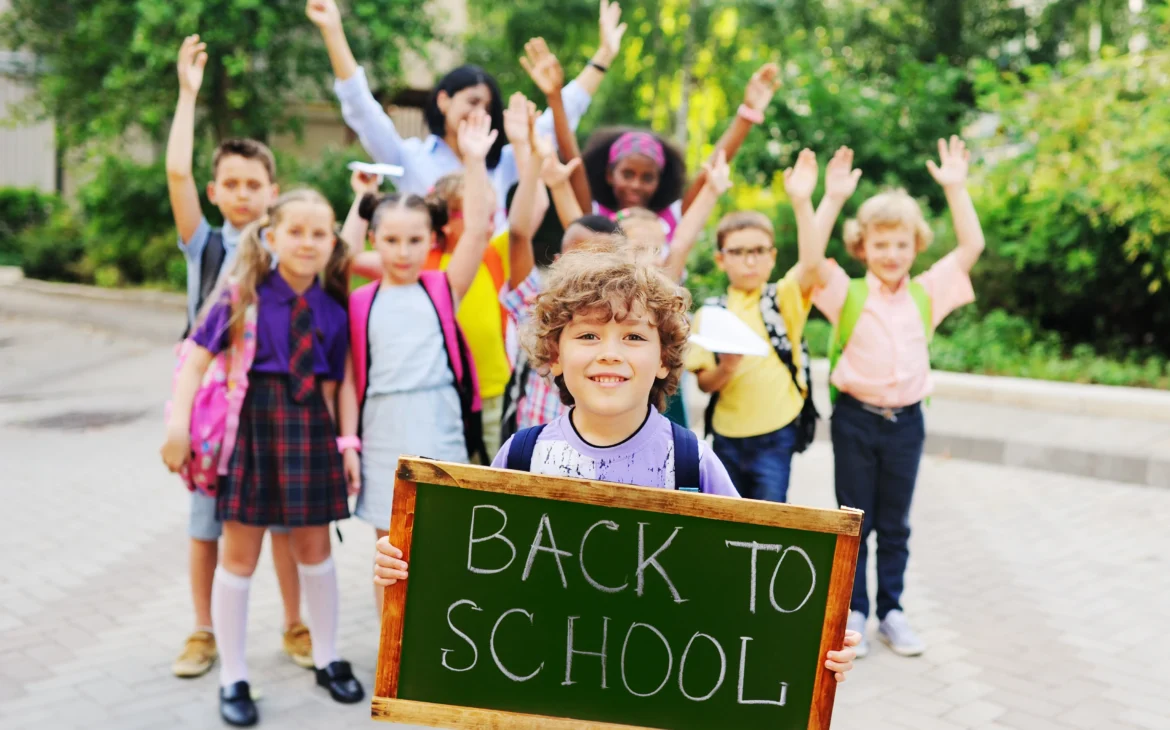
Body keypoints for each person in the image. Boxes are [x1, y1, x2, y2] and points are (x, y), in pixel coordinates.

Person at [371, 238, 861, 681]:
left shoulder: (691, 462)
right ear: (555, 355)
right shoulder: (522, 455)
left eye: (633, 337)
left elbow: (751, 595)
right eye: (587, 336)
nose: (609, 353)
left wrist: (817, 645)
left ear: (666, 359)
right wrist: (407, 566)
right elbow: (471, 577)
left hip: (657, 697)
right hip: (537, 695)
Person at [162, 189, 363, 726]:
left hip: (310, 432)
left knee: (315, 548)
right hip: (251, 427)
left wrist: (348, 444)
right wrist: (177, 427)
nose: (307, 242)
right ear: (271, 237)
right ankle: (233, 675)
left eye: (319, 233)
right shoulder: (241, 296)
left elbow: (338, 384)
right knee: (239, 556)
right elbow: (195, 361)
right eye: (295, 231)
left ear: (332, 243)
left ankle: (327, 656)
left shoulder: (333, 308)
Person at [163, 34, 311, 678]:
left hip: (272, 404)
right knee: (205, 523)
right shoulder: (205, 244)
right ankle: (203, 631)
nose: (244, 193)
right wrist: (188, 96)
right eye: (232, 183)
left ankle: (297, 623)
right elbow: (173, 173)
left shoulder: (288, 252)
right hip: (210, 407)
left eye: (255, 183)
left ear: (272, 188)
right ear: (216, 191)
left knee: (280, 522)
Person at [807, 137, 986, 658]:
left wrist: (956, 188)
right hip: (855, 420)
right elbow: (812, 257)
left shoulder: (927, 291)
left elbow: (971, 247)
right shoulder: (847, 292)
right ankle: (854, 612)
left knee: (896, 524)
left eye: (901, 244)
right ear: (863, 246)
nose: (891, 254)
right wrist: (832, 197)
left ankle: (893, 612)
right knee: (854, 522)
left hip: (906, 423)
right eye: (880, 244)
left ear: (915, 246)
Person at [337, 111, 498, 613]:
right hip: (382, 428)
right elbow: (335, 263)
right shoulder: (360, 301)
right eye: (390, 240)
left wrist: (474, 161)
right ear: (374, 240)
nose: (402, 251)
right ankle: (393, 651)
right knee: (390, 549)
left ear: (431, 241)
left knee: (445, 540)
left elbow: (475, 229)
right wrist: (362, 202)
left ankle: (441, 645)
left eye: (413, 240)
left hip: (439, 423)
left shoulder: (442, 287)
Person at [307, 0, 625, 225]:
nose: (479, 113)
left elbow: (559, 119)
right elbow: (362, 109)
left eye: (487, 107)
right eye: (472, 102)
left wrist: (603, 57)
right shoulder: (408, 158)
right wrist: (332, 30)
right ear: (443, 101)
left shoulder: (503, 162)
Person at [687, 148, 862, 503]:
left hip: (776, 435)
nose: (749, 260)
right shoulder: (712, 313)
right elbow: (705, 384)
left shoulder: (782, 298)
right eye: (737, 252)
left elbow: (811, 263)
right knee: (726, 521)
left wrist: (810, 200)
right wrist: (726, 368)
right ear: (721, 259)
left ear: (772, 256)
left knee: (769, 522)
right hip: (726, 436)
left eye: (758, 250)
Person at [581, 62, 780, 242]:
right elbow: (572, 165)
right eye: (627, 174)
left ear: (660, 180)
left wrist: (747, 114)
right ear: (609, 174)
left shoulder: (671, 219)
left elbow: (708, 172)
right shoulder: (595, 216)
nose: (636, 185)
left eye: (647, 178)